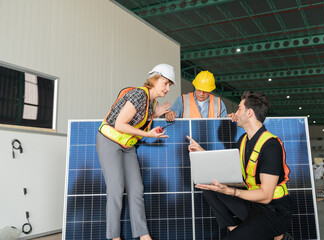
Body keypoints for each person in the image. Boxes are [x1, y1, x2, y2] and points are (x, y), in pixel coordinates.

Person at [187, 91, 292, 240]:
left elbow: (266, 196)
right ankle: (234, 228)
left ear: (249, 113)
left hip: (273, 211)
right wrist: (202, 152)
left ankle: (278, 236)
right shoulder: (244, 140)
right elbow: (228, 169)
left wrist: (231, 192)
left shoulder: (271, 146)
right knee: (207, 183)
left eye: (239, 109)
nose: (235, 113)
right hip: (252, 203)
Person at [96, 63, 175, 240]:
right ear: (155, 80)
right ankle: (114, 237)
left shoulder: (151, 101)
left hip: (127, 146)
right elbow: (120, 124)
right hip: (109, 141)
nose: (168, 88)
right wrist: (148, 133)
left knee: (136, 189)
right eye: (166, 83)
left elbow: (138, 117)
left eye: (170, 85)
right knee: (116, 189)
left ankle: (143, 235)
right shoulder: (139, 94)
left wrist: (156, 114)